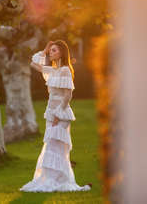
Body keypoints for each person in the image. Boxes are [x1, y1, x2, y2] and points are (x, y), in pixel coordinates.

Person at [20, 40, 91, 192]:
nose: (51, 53)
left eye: (54, 51)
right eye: (51, 51)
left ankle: (56, 180)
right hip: (51, 113)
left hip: (61, 114)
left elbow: (68, 95)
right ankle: (52, 178)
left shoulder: (65, 70)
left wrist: (59, 115)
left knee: (55, 147)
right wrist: (44, 51)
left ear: (61, 53)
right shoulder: (52, 71)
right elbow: (33, 64)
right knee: (51, 147)